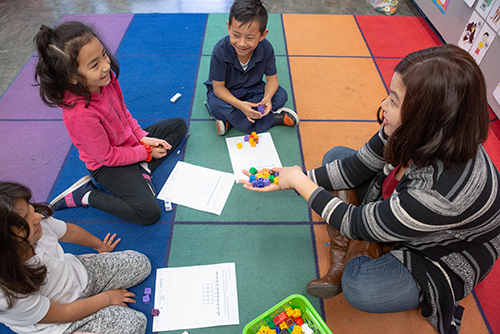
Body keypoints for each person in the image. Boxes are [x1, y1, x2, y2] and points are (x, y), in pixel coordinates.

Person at [240, 44, 500, 334]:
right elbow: (355, 166)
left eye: (395, 101)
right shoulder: (417, 131)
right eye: (390, 95)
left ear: (427, 119)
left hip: (442, 253)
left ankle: (359, 248)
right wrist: (296, 177)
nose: (384, 107)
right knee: (335, 158)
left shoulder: (441, 193)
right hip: (404, 205)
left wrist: (300, 183)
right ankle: (368, 240)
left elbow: (356, 222)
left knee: (360, 286)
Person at [34, 21, 188, 225]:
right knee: (149, 213)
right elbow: (107, 156)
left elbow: (123, 113)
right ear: (72, 77)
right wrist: (145, 152)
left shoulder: (105, 81)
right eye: (94, 65)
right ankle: (85, 195)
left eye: (103, 55)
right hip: (107, 165)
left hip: (129, 144)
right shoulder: (79, 115)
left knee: (178, 126)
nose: (106, 66)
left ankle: (141, 167)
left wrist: (142, 137)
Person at [0, 181, 151, 334]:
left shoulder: (37, 225)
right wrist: (108, 298)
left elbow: (71, 232)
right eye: (25, 218)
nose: (37, 216)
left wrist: (101, 247)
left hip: (78, 275)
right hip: (59, 322)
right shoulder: (7, 293)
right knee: (135, 325)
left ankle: (88, 279)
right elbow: (64, 312)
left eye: (29, 208)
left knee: (141, 264)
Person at [204, 0, 299, 135]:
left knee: (280, 96)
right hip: (228, 92)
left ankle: (231, 121)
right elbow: (218, 89)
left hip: (254, 90)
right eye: (236, 35)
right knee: (215, 104)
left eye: (249, 38)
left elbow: (272, 81)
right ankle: (274, 119)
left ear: (262, 35)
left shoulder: (266, 48)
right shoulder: (220, 51)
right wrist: (241, 105)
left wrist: (267, 98)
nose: (242, 43)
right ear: (228, 28)